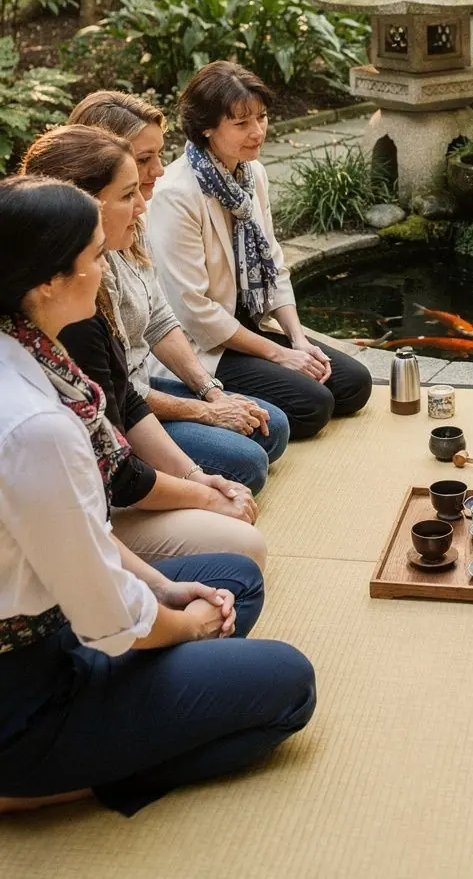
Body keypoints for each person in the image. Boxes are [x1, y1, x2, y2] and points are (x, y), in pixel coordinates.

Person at [0, 175, 315, 816]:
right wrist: (184, 623)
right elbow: (109, 621)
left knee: (231, 579)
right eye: (93, 255)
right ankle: (36, 785)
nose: (104, 264)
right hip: (27, 694)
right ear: (46, 282)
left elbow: (83, 541)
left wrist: (168, 591)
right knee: (288, 684)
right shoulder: (34, 426)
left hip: (53, 623)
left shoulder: (30, 353)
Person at [21, 126, 266, 565]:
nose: (144, 202)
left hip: (101, 492)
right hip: (74, 525)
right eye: (130, 191)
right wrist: (203, 492)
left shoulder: (80, 294)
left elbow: (125, 399)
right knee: (241, 551)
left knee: (271, 436)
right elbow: (114, 478)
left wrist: (198, 477)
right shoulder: (65, 324)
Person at [68, 90, 289, 493]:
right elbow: (118, 393)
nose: (160, 171)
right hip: (122, 408)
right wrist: (205, 413)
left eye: (158, 155)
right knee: (249, 464)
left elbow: (159, 319)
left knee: (273, 426)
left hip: (140, 392)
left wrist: (209, 391)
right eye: (144, 160)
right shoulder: (84, 267)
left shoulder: (132, 219)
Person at [147, 61, 371, 440]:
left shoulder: (252, 174)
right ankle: (219, 409)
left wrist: (298, 340)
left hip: (248, 327)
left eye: (262, 117)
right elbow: (194, 312)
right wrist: (279, 354)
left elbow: (275, 265)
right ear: (206, 127)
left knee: (353, 383)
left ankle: (272, 386)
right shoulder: (175, 194)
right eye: (241, 123)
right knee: (314, 405)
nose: (258, 132)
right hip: (204, 345)